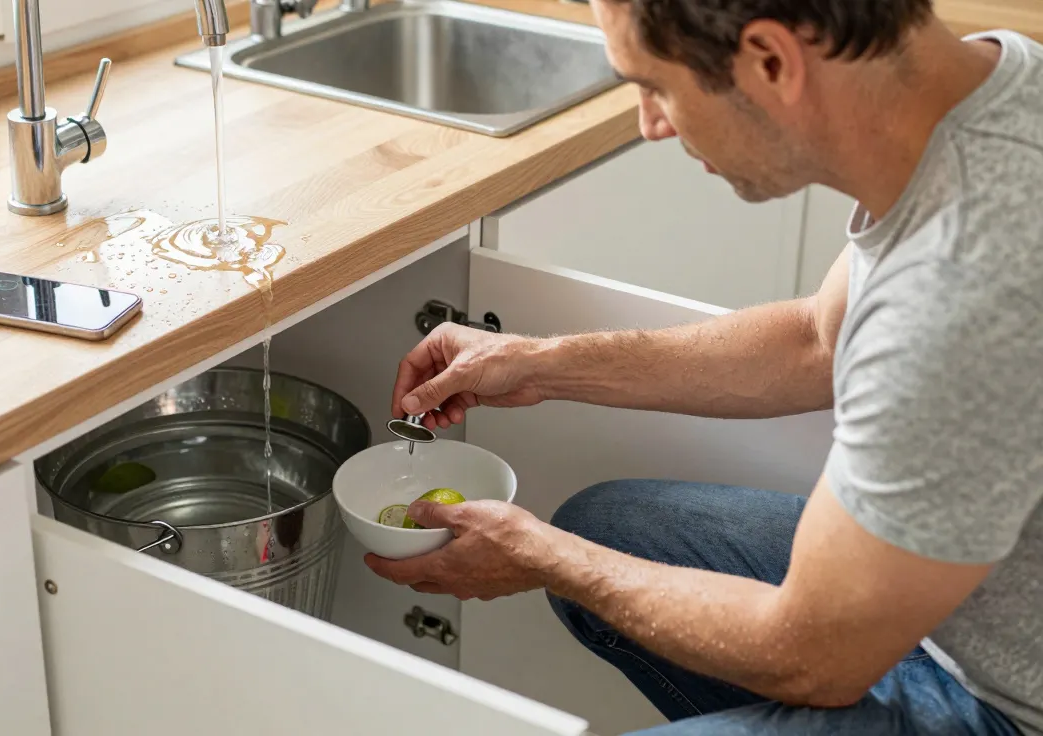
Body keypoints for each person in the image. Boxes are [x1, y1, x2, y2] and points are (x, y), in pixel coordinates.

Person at [365, 0, 1043, 734]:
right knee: (607, 524)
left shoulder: (966, 282)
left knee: (582, 558)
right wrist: (538, 363)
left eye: (657, 85)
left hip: (1004, 704)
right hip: (958, 607)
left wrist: (540, 557)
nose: (650, 123)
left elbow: (811, 657)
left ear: (772, 62)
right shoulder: (995, 88)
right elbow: (815, 340)